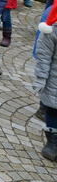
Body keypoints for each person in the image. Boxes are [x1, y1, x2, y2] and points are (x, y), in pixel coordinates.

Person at [33, 10, 57, 161]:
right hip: (54, 78)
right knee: (53, 109)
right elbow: (44, 56)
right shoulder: (52, 28)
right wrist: (41, 79)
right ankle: (52, 141)